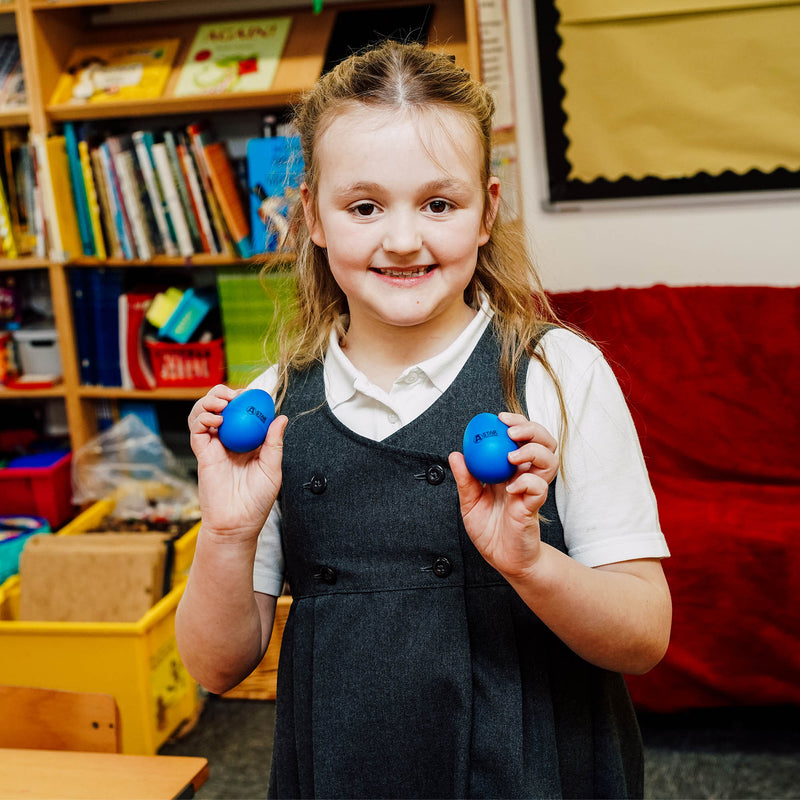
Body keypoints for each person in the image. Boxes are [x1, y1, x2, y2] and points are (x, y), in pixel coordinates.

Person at [178, 40, 672, 799]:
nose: (403, 239)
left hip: (535, 772)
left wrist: (530, 563)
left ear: (487, 212)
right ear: (312, 215)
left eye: (439, 203)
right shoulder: (272, 407)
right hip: (348, 769)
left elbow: (643, 637)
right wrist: (227, 533)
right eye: (365, 206)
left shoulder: (555, 372)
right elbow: (215, 666)